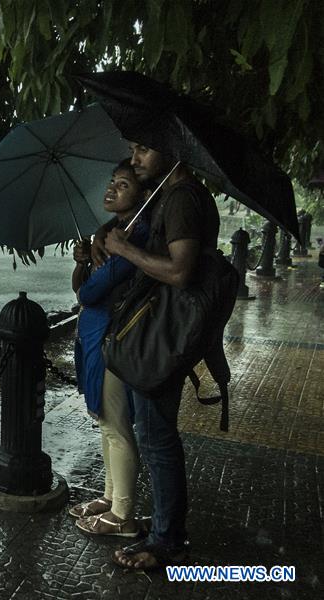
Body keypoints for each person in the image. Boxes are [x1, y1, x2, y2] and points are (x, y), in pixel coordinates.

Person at [93, 142, 220, 570]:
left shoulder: (183, 197)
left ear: (175, 151)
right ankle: (166, 526)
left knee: (157, 438)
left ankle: (169, 541)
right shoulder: (176, 196)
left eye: (144, 150)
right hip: (168, 334)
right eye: (131, 149)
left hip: (164, 337)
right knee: (154, 433)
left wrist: (125, 251)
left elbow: (180, 271)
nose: (135, 158)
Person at [68, 160, 149, 538]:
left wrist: (97, 265)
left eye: (124, 185)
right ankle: (111, 497)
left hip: (113, 341)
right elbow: (81, 286)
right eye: (112, 182)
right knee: (106, 424)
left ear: (144, 195)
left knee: (117, 427)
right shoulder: (114, 234)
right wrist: (85, 261)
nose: (112, 189)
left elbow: (89, 293)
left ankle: (124, 516)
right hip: (97, 337)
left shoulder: (134, 236)